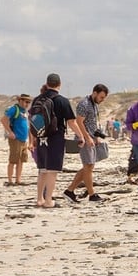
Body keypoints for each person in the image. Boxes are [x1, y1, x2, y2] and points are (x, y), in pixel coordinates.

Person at [31, 73, 83, 208]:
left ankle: (39, 199)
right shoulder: (62, 101)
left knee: (42, 169)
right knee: (52, 170)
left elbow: (32, 119)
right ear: (60, 84)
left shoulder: (37, 99)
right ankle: (48, 200)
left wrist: (33, 138)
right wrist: (80, 136)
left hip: (41, 136)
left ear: (47, 83)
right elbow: (71, 122)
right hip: (56, 138)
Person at [64, 84, 109, 203]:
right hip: (84, 140)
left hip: (92, 138)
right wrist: (87, 137)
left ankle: (70, 190)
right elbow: (79, 122)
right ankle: (92, 194)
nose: (102, 100)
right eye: (101, 97)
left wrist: (97, 136)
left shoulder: (94, 105)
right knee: (88, 166)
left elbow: (91, 123)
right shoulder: (84, 104)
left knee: (88, 167)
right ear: (94, 93)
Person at [0, 93, 31, 186]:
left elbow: (27, 126)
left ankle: (18, 180)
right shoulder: (14, 109)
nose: (27, 104)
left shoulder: (24, 111)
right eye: (26, 102)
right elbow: (3, 120)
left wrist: (30, 140)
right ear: (20, 101)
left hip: (23, 139)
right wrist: (10, 132)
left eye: (29, 102)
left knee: (21, 160)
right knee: (13, 160)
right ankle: (10, 180)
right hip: (16, 138)